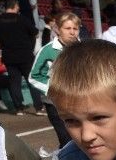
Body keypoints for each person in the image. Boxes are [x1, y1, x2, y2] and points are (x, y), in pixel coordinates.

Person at [30, 11, 82, 147]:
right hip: (55, 103)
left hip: (79, 99)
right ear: (58, 30)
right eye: (68, 28)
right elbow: (34, 76)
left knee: (81, 136)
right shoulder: (47, 50)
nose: (72, 32)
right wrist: (52, 90)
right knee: (66, 139)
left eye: (75, 29)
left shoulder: (83, 49)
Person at [0, 0, 43, 117]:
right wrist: (30, 46)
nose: (19, 8)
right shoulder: (22, 19)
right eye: (18, 6)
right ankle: (38, 108)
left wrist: (3, 46)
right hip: (25, 54)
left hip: (9, 55)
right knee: (31, 81)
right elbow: (35, 33)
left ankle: (19, 108)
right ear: (15, 6)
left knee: (14, 82)